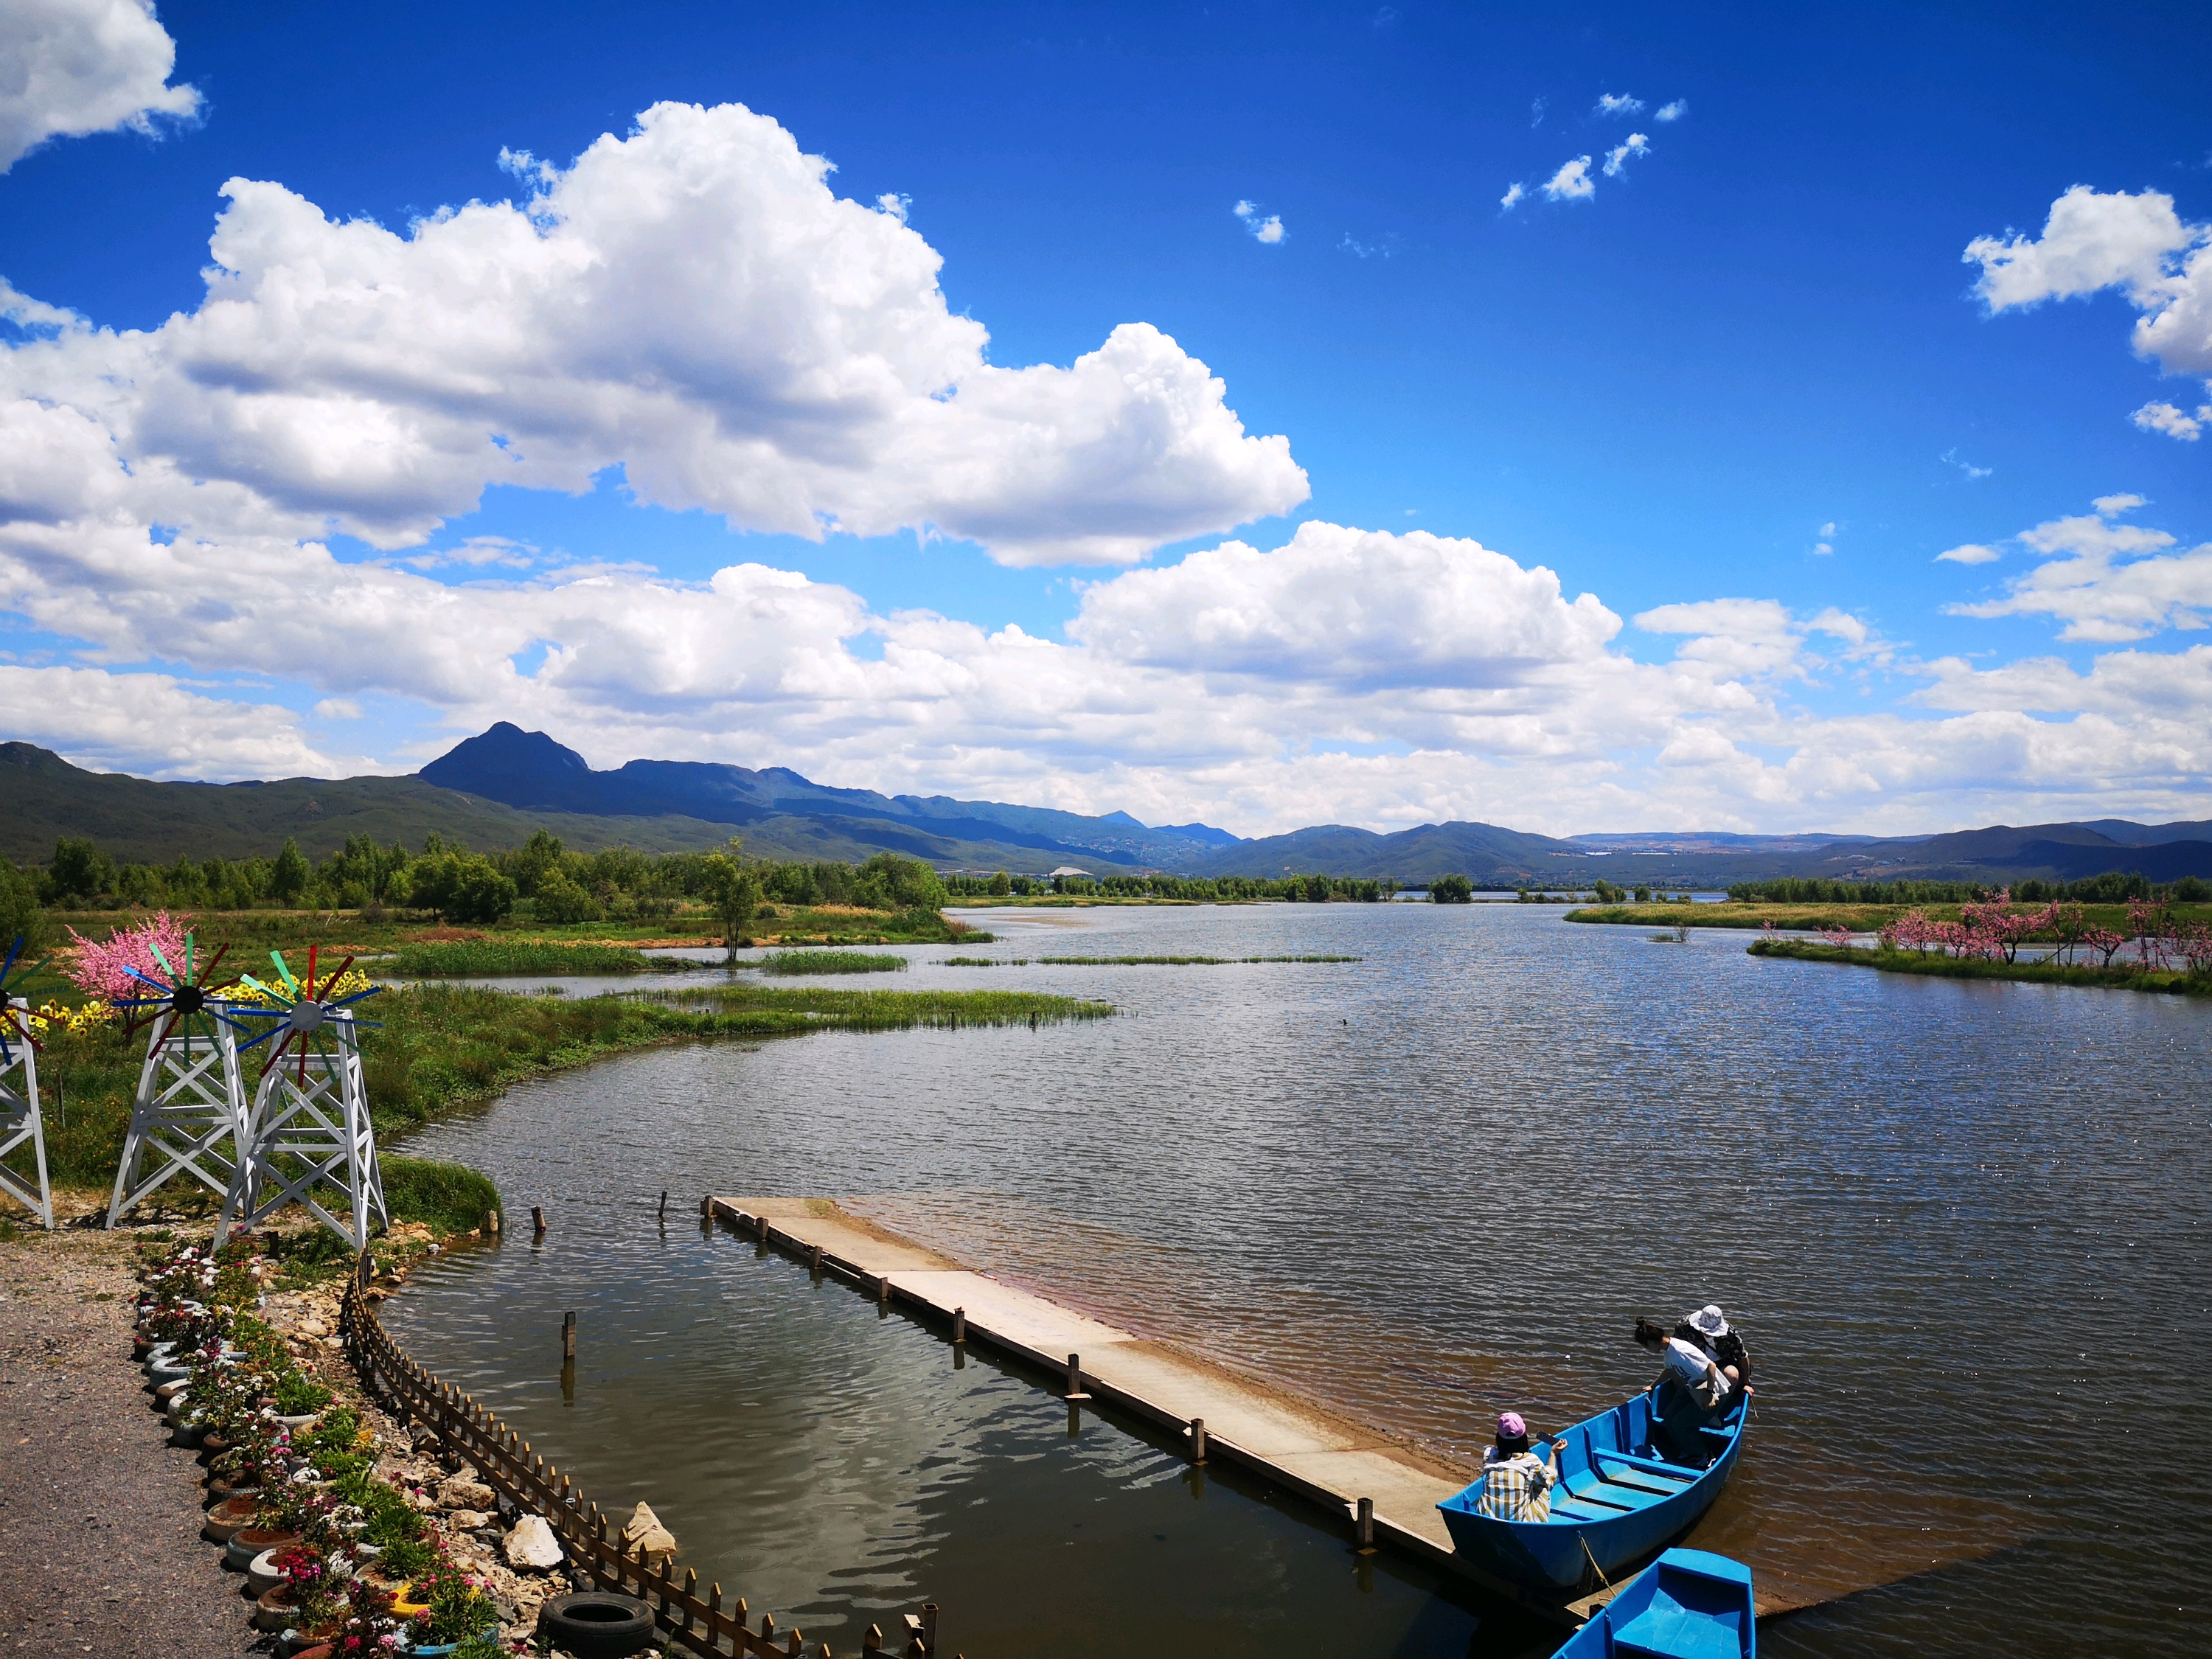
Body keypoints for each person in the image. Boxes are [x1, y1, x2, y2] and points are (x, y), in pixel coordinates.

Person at [1635, 1315, 1732, 1464]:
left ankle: (1705, 1455)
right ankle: (1688, 1449)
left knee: (1680, 1423)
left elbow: (1711, 1366)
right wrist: (1652, 1386)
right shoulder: (1669, 1350)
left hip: (1712, 1393)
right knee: (1668, 1416)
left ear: (1650, 1343)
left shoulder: (1680, 1351)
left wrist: (1709, 1392)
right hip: (1694, 1389)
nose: (1647, 1350)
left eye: (1646, 1347)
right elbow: (1669, 1370)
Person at [1473, 1411, 1559, 1521]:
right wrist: (1553, 1454)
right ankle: (1538, 1520)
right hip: (1518, 1523)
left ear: (1499, 1436)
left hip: (1488, 1520)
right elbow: (1549, 1483)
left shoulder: (1489, 1454)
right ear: (1523, 1437)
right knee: (1542, 1486)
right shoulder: (1532, 1461)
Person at [1676, 1304, 1750, 1390]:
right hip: (1695, 1362)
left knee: (1732, 1375)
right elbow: (1676, 1348)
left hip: (1721, 1363)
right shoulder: (1684, 1327)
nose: (1707, 1334)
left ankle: (1723, 1399)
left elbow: (1742, 1356)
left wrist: (1746, 1383)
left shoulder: (1730, 1334)